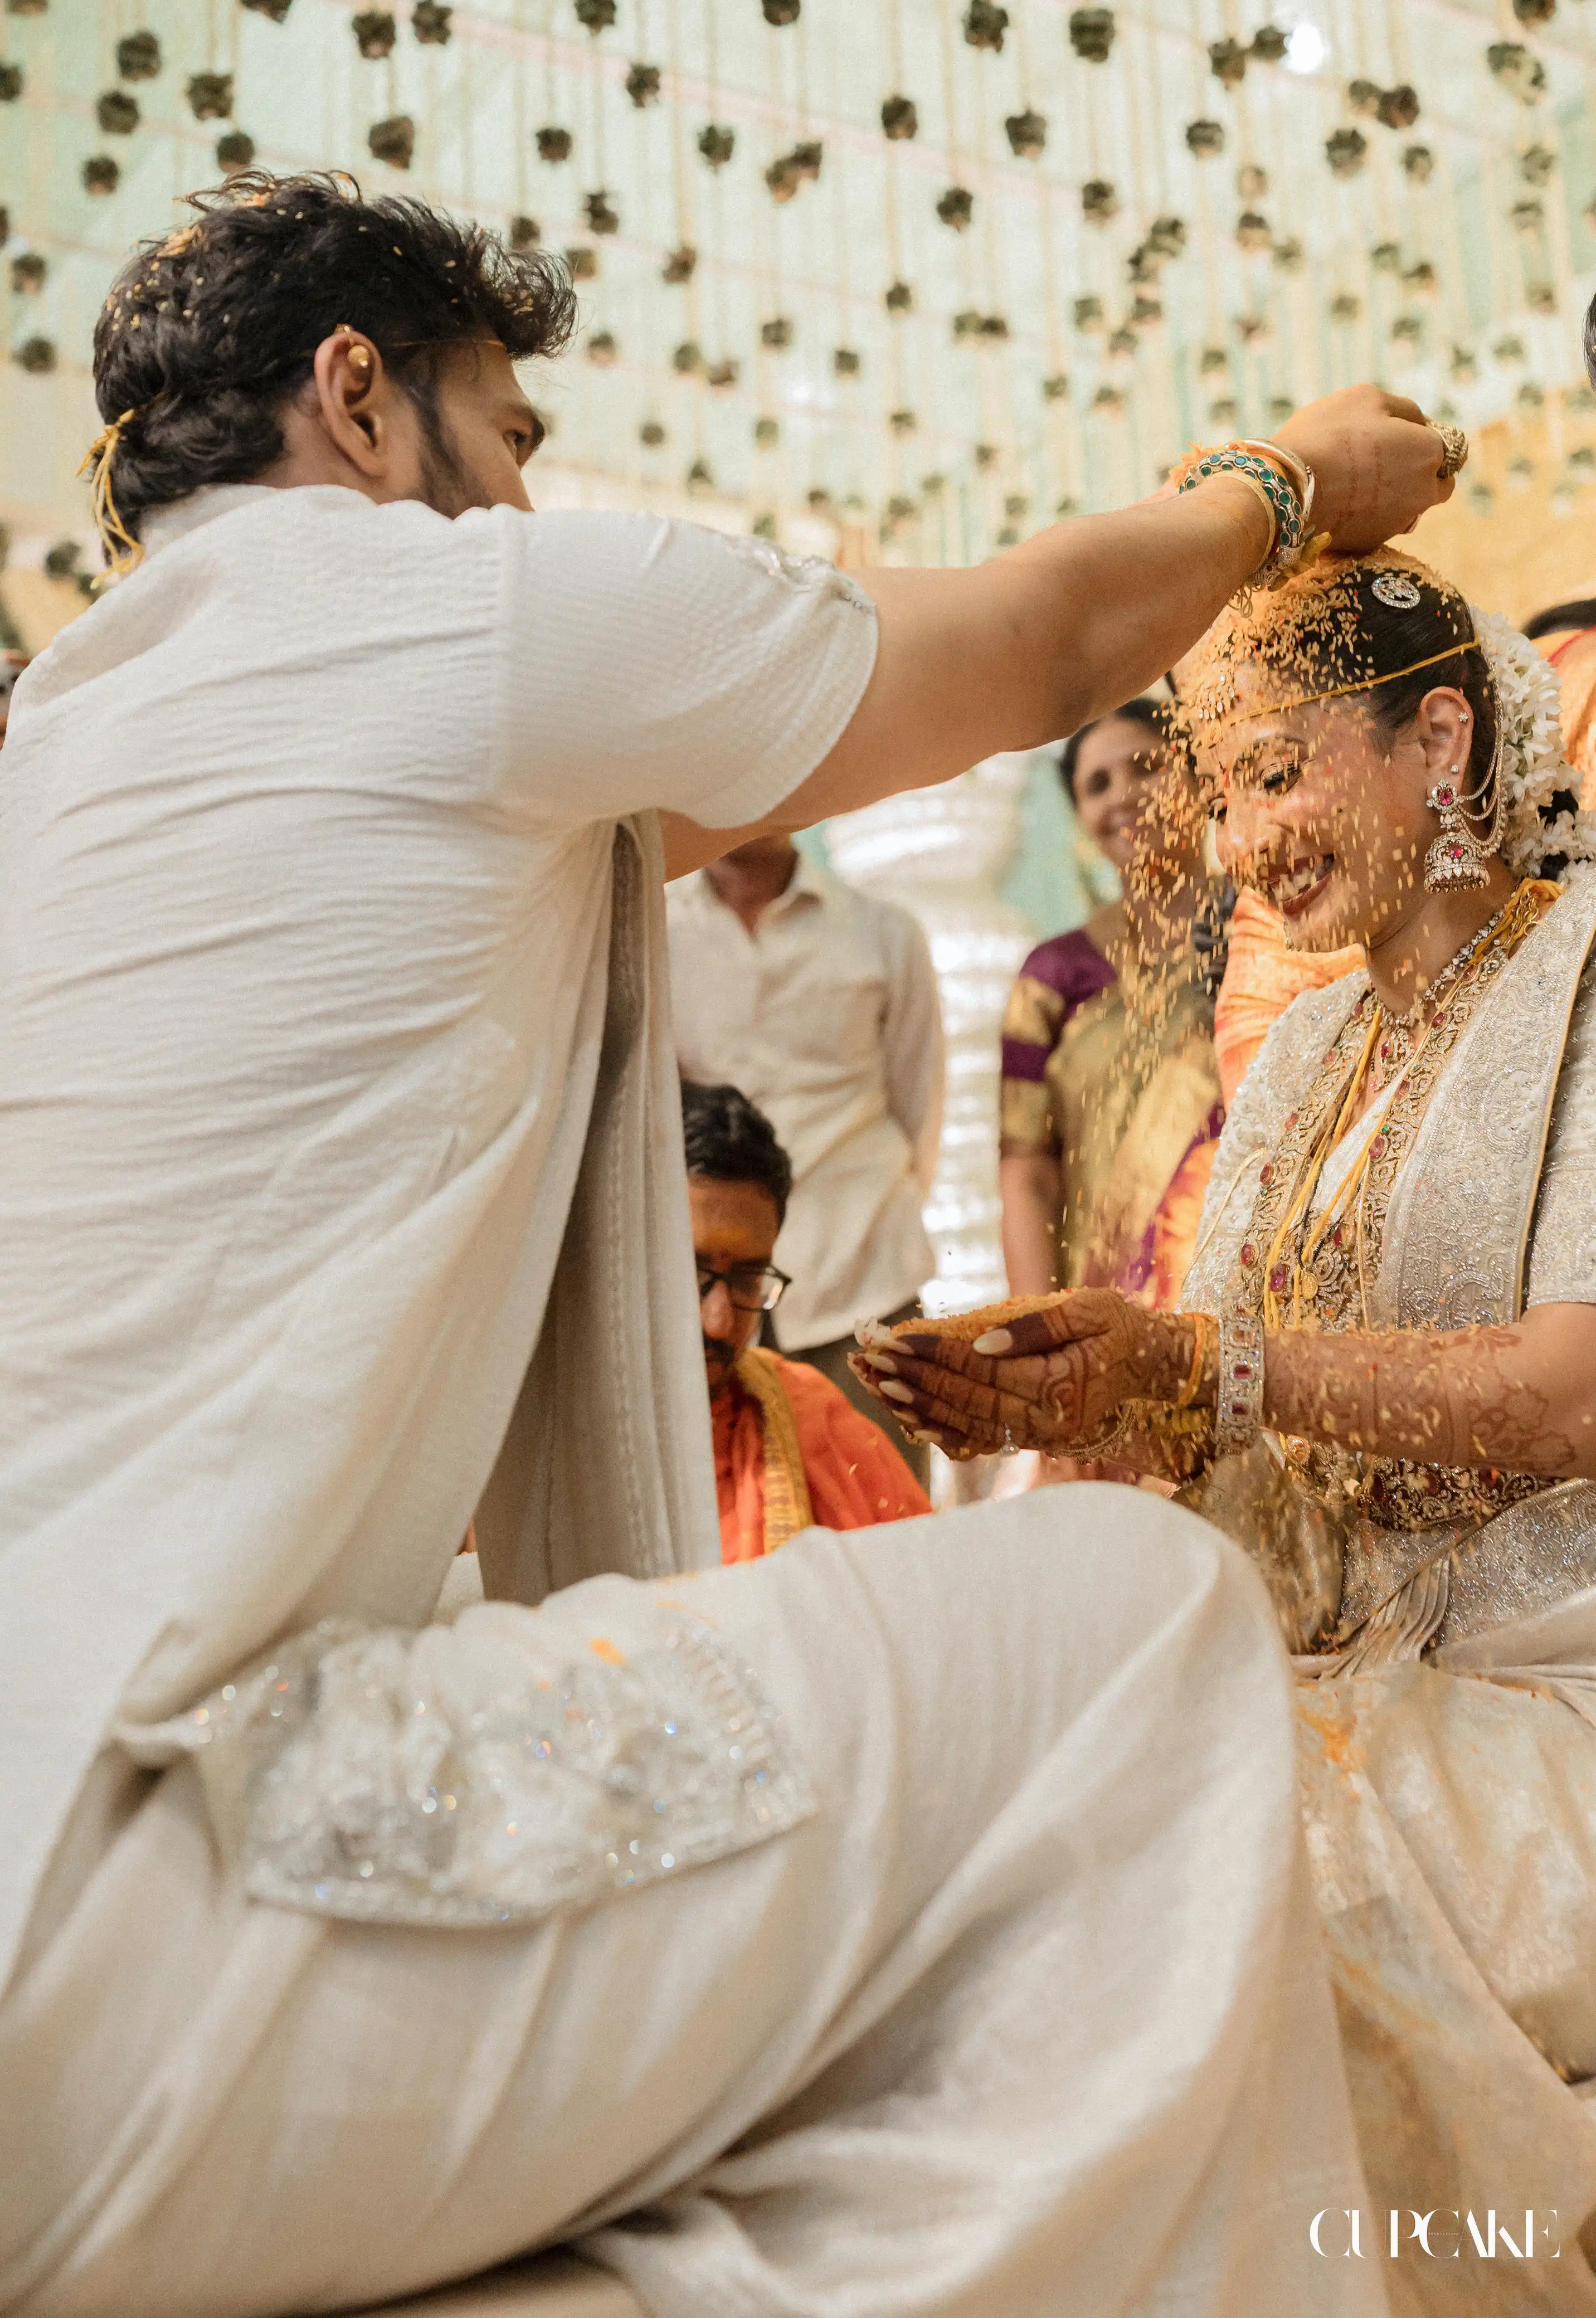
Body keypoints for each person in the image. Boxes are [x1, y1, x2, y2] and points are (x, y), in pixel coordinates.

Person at [0, 165, 1456, 2318]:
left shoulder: (63, 742)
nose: (522, 498)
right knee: (1140, 1621)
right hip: (143, 1915)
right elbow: (1043, 635)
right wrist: (1294, 477)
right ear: (358, 398)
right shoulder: (460, 621)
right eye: (507, 440)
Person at [855, 545, 1596, 2293]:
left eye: (1283, 771)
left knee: (1198, 1887)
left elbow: (1572, 1392)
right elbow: (1230, 1415)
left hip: (1547, 1684)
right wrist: (1082, 1405)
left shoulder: (1582, 985)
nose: (1249, 840)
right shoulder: (1300, 1061)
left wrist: (1198, 1370)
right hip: (1327, 1673)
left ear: (1435, 743)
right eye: (1227, 787)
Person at [668, 829, 941, 1488]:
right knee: (725, 1547)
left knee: (881, 1531)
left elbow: (918, 1110)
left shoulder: (882, 933)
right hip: (707, 1308)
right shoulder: (651, 932)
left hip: (863, 1288)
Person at [999, 699, 1224, 1313]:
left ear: (1198, 779)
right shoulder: (1052, 975)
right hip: (1109, 1312)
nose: (1123, 794)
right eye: (1096, 785)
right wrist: (1039, 1327)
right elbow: (1027, 1169)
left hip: (1251, 1282)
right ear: (1080, 818)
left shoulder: (1269, 929)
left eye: (1146, 766)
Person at [683, 1080, 930, 1561]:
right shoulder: (536, 1443)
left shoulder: (818, 1427)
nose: (718, 1322)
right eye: (693, 1270)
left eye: (747, 1278)